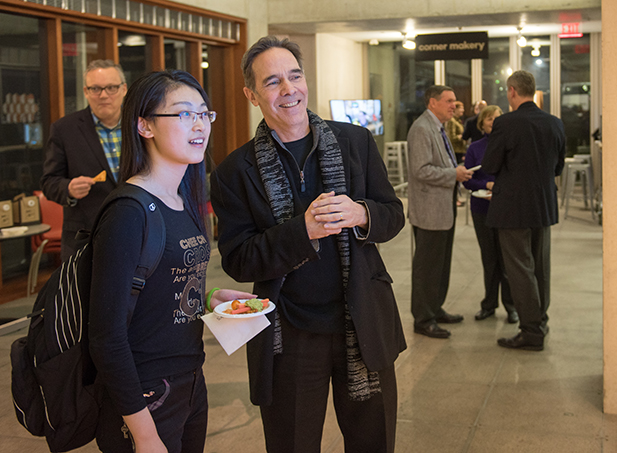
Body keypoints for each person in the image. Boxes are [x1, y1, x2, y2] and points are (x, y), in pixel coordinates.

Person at [210, 36, 405, 452]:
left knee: (374, 439)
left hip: (362, 318)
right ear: (251, 94)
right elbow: (239, 260)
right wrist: (304, 231)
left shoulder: (355, 142)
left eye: (295, 76)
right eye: (273, 82)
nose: (289, 90)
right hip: (289, 333)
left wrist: (362, 214)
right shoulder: (233, 171)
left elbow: (393, 214)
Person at [88, 70, 255, 453]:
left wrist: (208, 296)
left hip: (190, 380)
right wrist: (145, 435)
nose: (199, 125)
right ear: (144, 125)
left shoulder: (182, 199)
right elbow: (106, 337)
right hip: (146, 391)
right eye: (183, 114)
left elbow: (162, 284)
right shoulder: (128, 212)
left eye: (203, 114)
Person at [482, 71, 566, 351]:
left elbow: (491, 165)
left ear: (512, 91)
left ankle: (531, 331)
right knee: (541, 266)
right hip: (543, 204)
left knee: (519, 268)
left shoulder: (506, 123)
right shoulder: (554, 123)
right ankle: (540, 320)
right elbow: (558, 167)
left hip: (512, 207)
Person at [41, 59, 127, 260]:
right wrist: (68, 188)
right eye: (95, 88)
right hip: (85, 237)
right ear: (86, 91)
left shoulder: (141, 126)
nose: (104, 95)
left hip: (138, 229)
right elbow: (49, 181)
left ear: (124, 89)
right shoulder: (64, 129)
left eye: (111, 88)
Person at [407, 85, 473, 339]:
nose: (453, 106)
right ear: (432, 102)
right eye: (448, 101)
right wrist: (452, 174)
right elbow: (421, 170)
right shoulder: (422, 128)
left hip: (443, 207)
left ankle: (435, 308)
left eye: (455, 101)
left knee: (441, 264)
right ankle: (423, 319)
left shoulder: (438, 127)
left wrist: (456, 171)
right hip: (429, 211)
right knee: (427, 266)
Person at [462, 105, 518, 324]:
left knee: (506, 260)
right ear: (482, 123)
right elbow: (468, 179)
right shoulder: (475, 148)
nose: (493, 123)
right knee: (489, 258)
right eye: (489, 119)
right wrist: (486, 184)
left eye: (497, 119)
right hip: (481, 208)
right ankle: (489, 304)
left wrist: (500, 188)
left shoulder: (509, 146)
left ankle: (511, 306)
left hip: (504, 209)